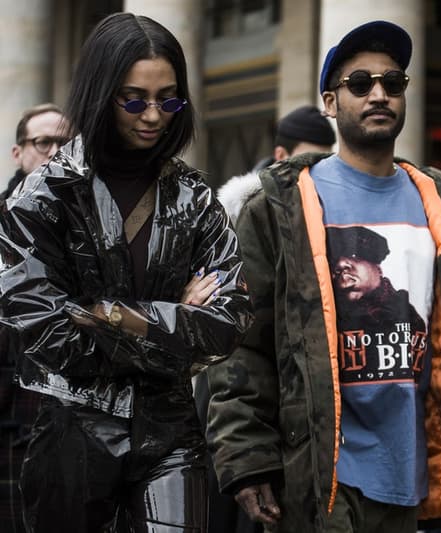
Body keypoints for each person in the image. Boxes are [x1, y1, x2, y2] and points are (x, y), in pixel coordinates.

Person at [206, 20, 441, 533]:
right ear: (330, 102)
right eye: (359, 83)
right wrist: (245, 456)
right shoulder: (280, 208)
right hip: (326, 471)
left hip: (427, 470)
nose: (378, 94)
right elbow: (242, 342)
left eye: (392, 83)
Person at [0, 12, 252, 532]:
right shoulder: (43, 196)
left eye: (170, 99)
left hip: (172, 433)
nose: (154, 115)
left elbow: (229, 323)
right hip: (71, 429)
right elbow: (47, 334)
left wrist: (106, 313)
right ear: (101, 94)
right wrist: (174, 318)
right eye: (134, 99)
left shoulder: (196, 198)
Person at [196, 105, 335, 533]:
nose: (314, 169)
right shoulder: (239, 213)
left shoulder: (327, 206)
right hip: (236, 400)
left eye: (324, 159)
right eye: (306, 157)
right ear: (281, 153)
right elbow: (236, 337)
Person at [0, 103, 68, 533]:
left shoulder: (101, 229)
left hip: (75, 433)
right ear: (19, 152)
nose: (55, 152)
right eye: (44, 142)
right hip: (10, 428)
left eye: (66, 143)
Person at [4, 103, 69, 200]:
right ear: (17, 154)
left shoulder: (93, 209)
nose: (55, 152)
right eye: (43, 142)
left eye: (64, 143)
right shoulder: (4, 212)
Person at [250, 104, 336, 173]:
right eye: (310, 162)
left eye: (327, 162)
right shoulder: (246, 194)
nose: (321, 170)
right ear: (281, 155)